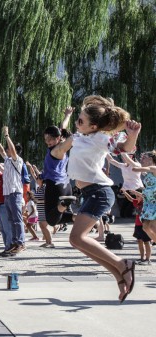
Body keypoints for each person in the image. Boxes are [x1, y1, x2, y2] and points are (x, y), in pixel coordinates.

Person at [61, 95, 141, 303]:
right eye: (78, 119)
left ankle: (124, 264)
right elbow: (63, 134)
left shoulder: (101, 139)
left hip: (100, 192)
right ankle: (118, 273)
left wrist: (132, 135)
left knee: (76, 238)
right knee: (77, 241)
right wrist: (67, 118)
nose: (77, 123)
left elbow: (125, 148)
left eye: (80, 121)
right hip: (90, 194)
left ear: (94, 126)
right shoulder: (80, 137)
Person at [0, 127, 26, 254]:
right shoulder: (7, 160)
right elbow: (1, 150)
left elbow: (11, 149)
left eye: (9, 149)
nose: (6, 151)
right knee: (11, 220)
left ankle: (21, 242)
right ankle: (14, 243)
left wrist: (6, 135)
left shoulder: (18, 161)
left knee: (17, 219)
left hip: (15, 193)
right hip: (7, 193)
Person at [120, 189, 151, 264]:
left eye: (138, 196)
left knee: (147, 242)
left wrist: (136, 192)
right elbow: (131, 199)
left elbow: (144, 196)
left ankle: (148, 259)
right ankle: (142, 258)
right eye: (136, 196)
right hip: (138, 225)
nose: (137, 197)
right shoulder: (136, 202)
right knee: (139, 241)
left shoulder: (146, 203)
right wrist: (125, 193)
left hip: (145, 224)